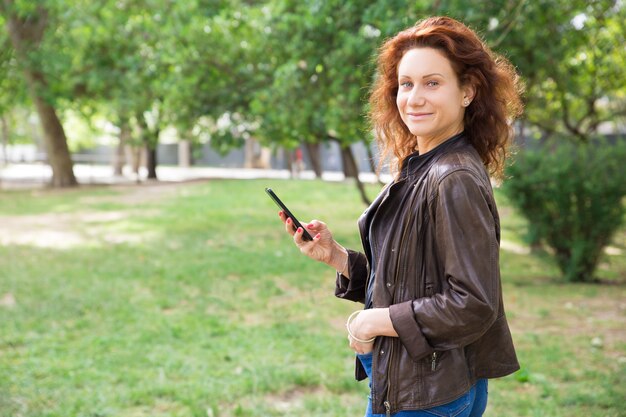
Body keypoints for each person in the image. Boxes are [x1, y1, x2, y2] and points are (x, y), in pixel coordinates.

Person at [277, 16, 523, 417]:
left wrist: (372, 322)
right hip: (422, 380)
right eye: (406, 84)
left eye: (432, 82)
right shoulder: (426, 165)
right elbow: (414, 277)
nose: (414, 97)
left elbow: (473, 303)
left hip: (428, 394)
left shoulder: (452, 176)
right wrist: (337, 257)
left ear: (468, 91)